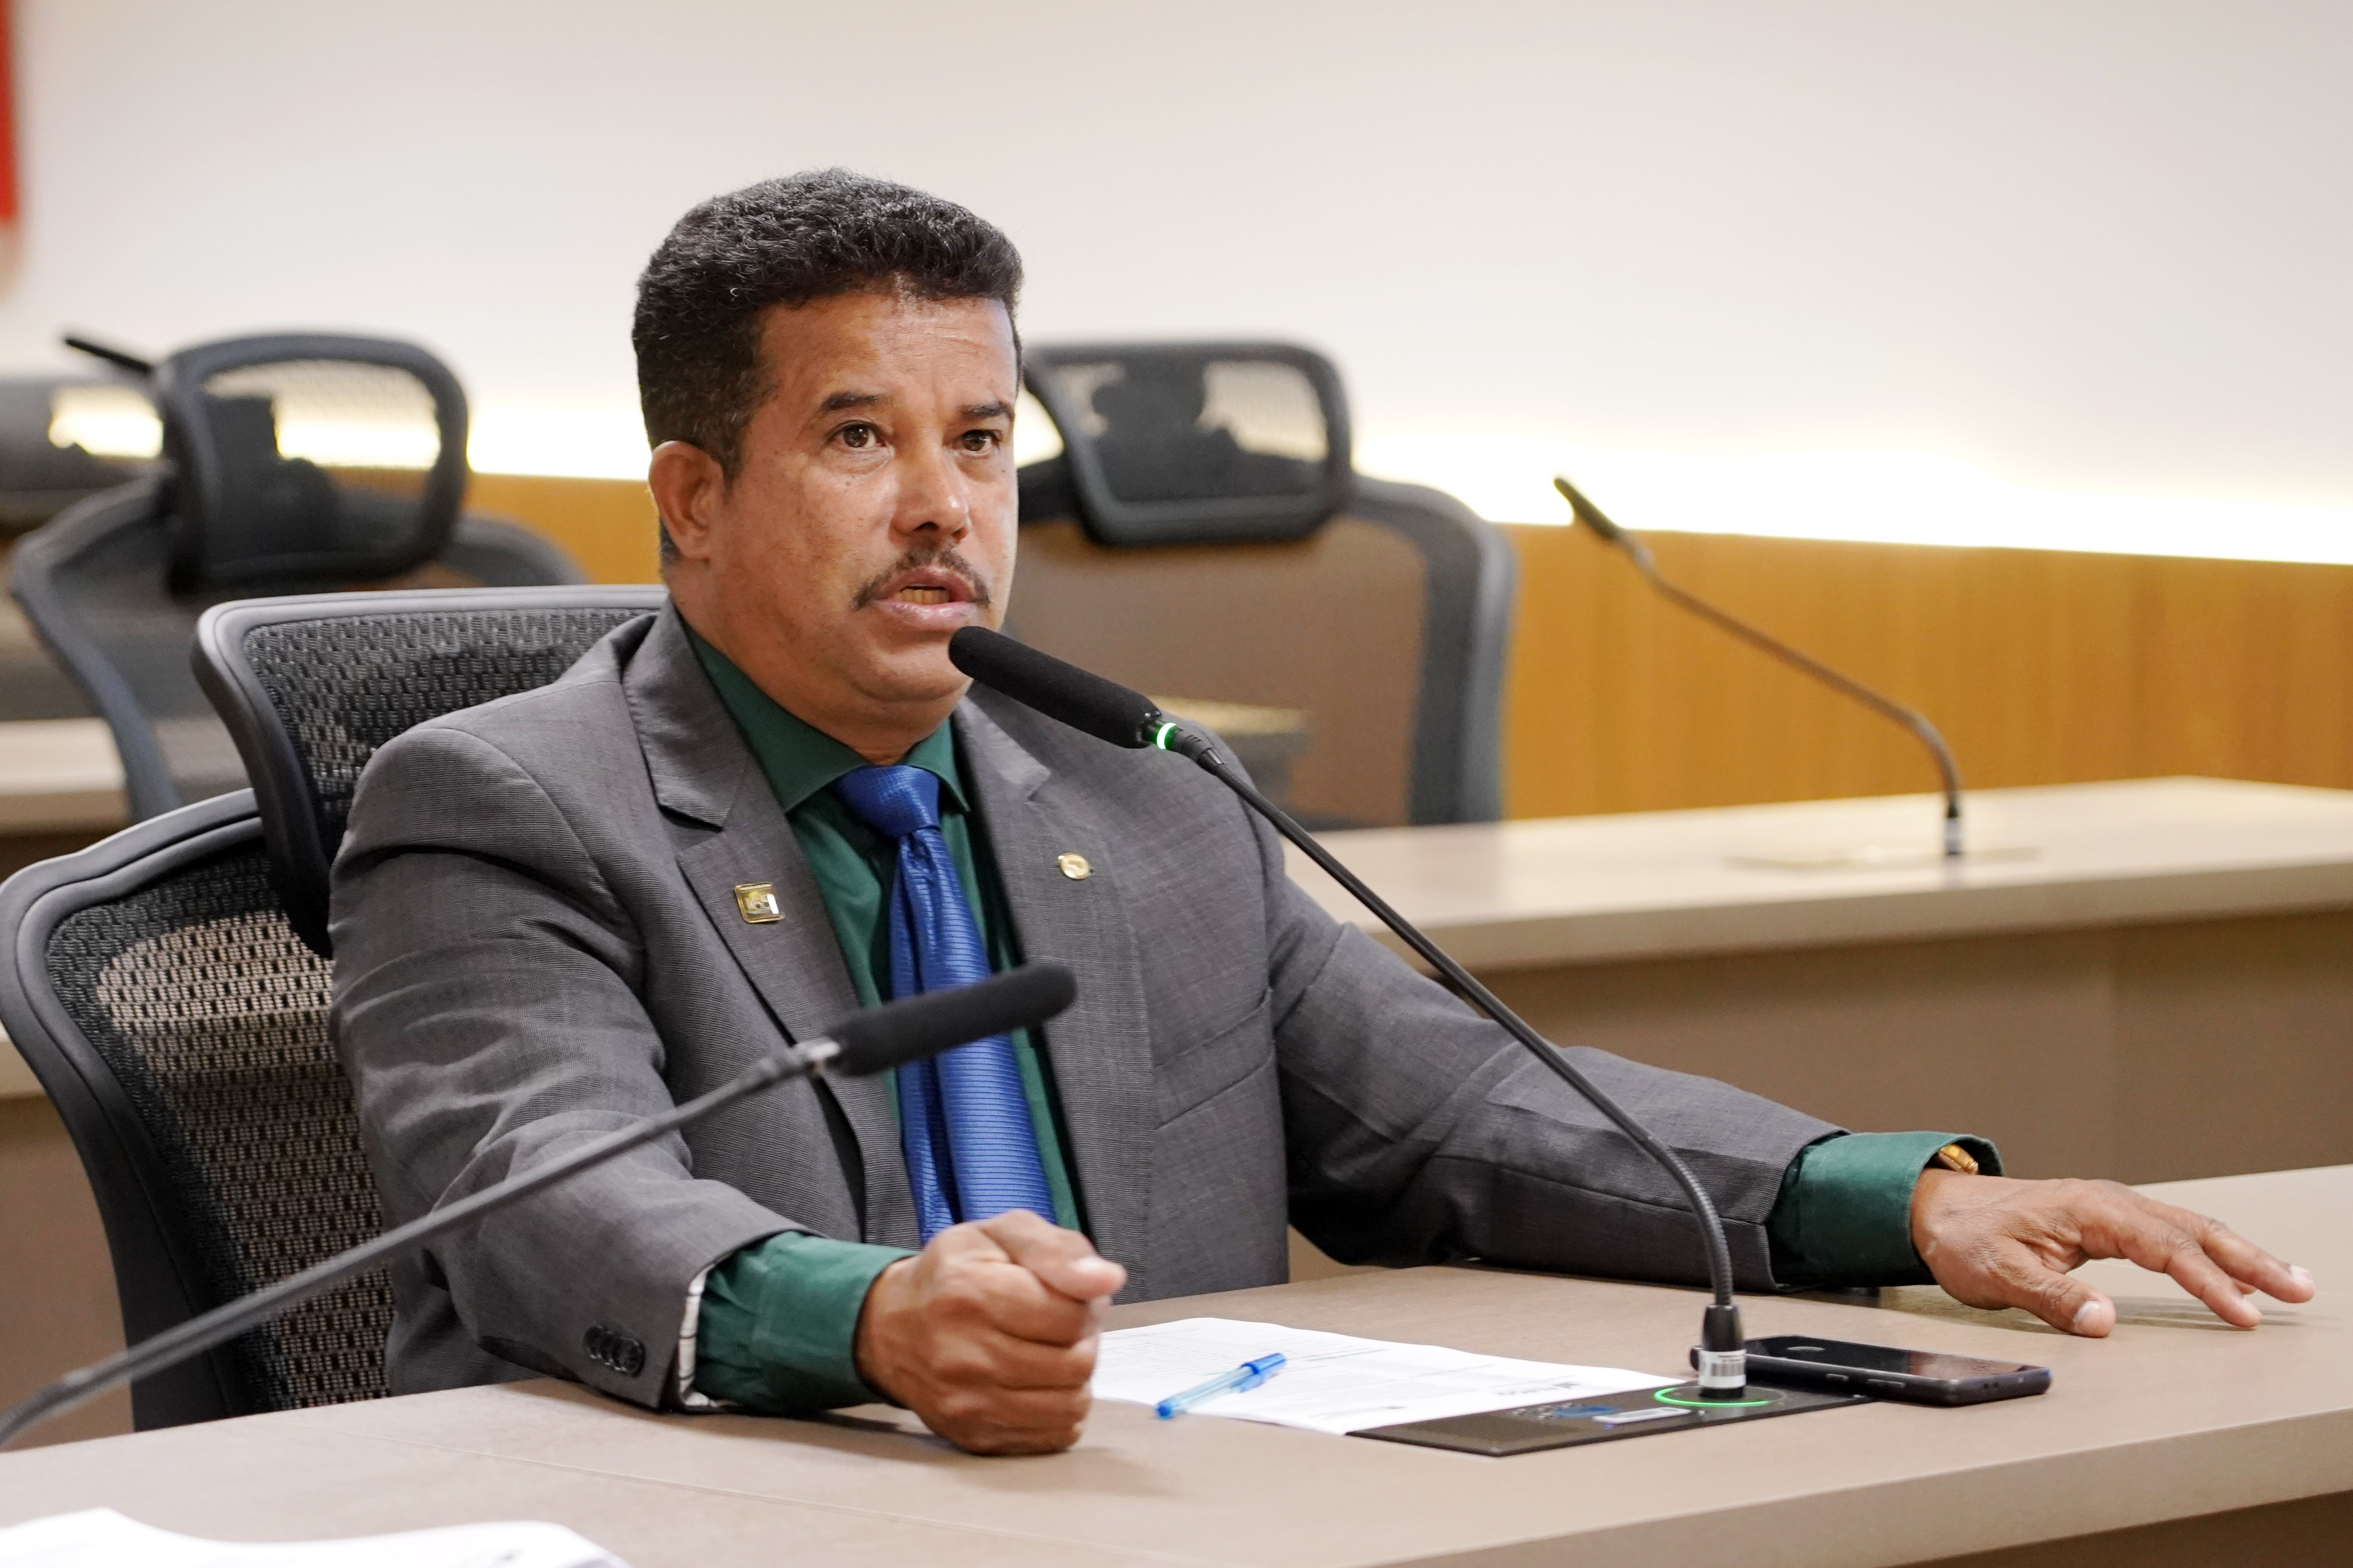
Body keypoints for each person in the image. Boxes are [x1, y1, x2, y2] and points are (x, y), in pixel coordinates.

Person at [332, 169, 2314, 1457]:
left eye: (982, 441)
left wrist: (1900, 1201)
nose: (944, 508)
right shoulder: (503, 804)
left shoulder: (1138, 790)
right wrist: (874, 1324)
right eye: (861, 437)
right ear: (692, 499)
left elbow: (1463, 1116)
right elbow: (549, 1202)